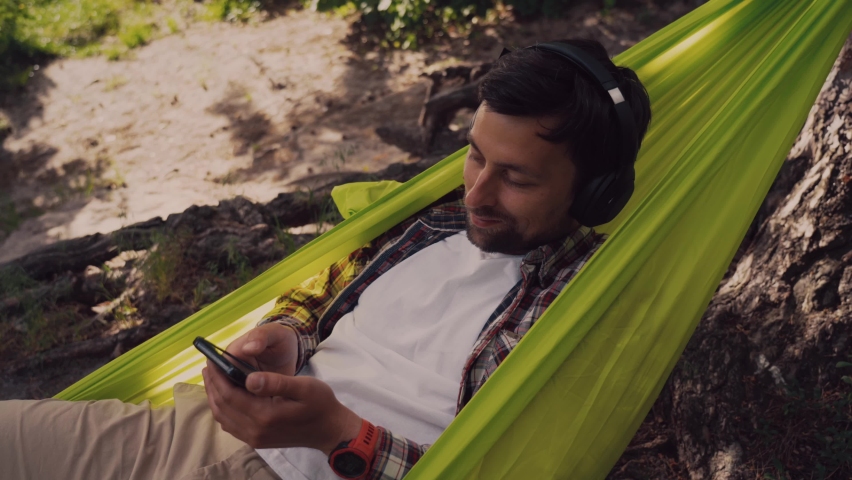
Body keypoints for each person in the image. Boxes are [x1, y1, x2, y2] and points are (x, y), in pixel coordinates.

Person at [0, 38, 651, 480]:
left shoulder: (583, 306)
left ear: (594, 191)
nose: (477, 190)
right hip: (186, 436)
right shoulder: (426, 223)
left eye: (517, 178)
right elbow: (319, 296)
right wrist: (286, 336)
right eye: (476, 155)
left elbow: (498, 466)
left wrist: (340, 435)